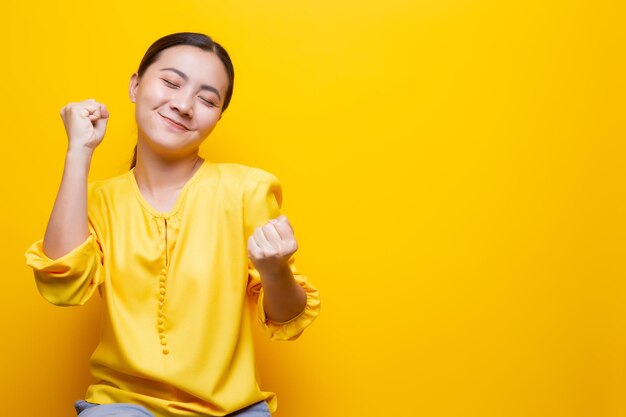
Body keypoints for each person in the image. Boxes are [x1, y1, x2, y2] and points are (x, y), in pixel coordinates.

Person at [24, 32, 320, 417]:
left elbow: (288, 319)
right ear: (135, 85)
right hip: (123, 407)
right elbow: (61, 287)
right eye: (171, 82)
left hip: (232, 409)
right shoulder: (97, 200)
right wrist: (79, 152)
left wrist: (275, 271)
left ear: (217, 116)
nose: (183, 105)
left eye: (207, 99)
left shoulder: (249, 189)